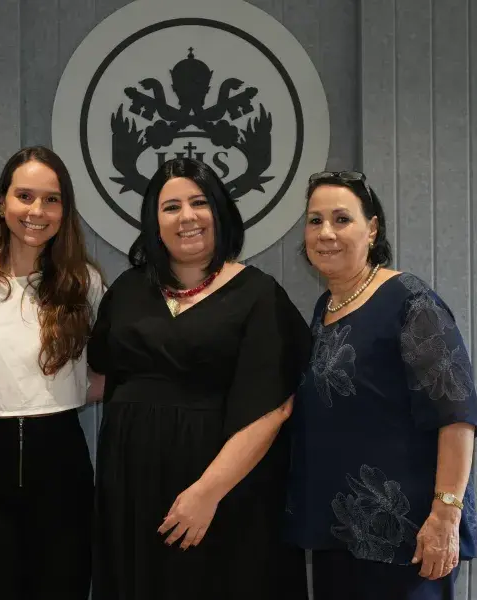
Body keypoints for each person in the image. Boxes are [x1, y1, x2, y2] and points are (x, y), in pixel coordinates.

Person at [88, 157, 311, 600]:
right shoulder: (128, 291)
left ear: (220, 212)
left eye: (199, 202)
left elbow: (273, 408)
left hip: (223, 491)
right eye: (171, 207)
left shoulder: (258, 294)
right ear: (154, 220)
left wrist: (207, 494)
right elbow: (98, 378)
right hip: (130, 491)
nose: (186, 217)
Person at [284, 170, 477, 600]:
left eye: (341, 219)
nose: (326, 233)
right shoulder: (326, 307)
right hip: (338, 537)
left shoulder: (410, 300)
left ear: (372, 228)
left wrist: (446, 516)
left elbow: (456, 415)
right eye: (315, 221)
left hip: (405, 542)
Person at [0, 146, 104, 600]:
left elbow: (103, 373)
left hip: (61, 457)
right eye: (25, 196)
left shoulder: (83, 283)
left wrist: (54, 394)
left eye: (51, 200)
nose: (37, 211)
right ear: (1, 203)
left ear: (64, 211)